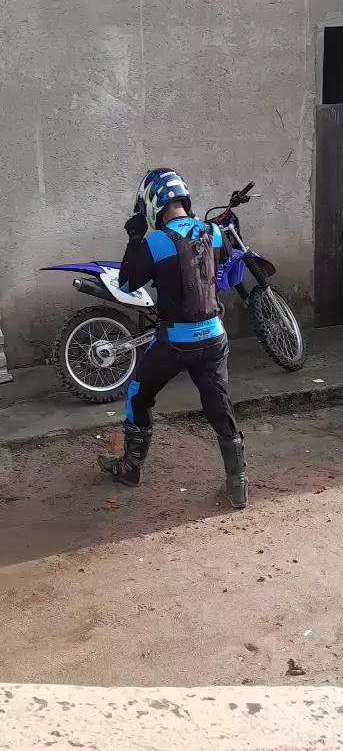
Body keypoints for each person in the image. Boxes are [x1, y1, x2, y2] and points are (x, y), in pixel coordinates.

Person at [98, 168, 248, 509]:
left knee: (139, 393)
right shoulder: (213, 232)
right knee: (219, 404)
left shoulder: (156, 242)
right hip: (214, 337)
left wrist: (134, 238)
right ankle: (238, 485)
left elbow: (126, 284)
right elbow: (225, 268)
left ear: (152, 204)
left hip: (176, 341)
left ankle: (130, 467)